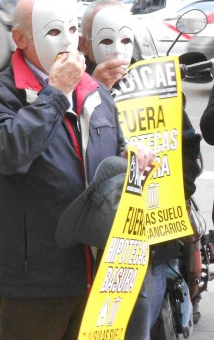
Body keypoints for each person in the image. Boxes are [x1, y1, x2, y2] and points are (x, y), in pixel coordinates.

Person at [0, 0, 154, 338]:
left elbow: (112, 156)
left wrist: (133, 160)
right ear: (20, 38)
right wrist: (56, 92)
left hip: (96, 277)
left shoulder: (97, 92)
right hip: (32, 285)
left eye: (73, 30)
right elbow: (10, 153)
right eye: (54, 31)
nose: (68, 43)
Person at [79, 1, 202, 337]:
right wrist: (91, 91)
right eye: (105, 39)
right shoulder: (71, 85)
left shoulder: (156, 80)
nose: (117, 50)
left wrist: (175, 195)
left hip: (156, 240)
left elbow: (186, 145)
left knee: (151, 322)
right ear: (85, 43)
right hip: (98, 242)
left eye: (125, 38)